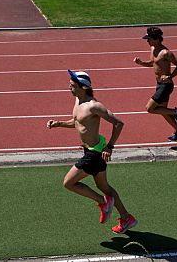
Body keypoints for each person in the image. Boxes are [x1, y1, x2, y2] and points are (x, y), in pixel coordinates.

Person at [46, 70, 137, 234]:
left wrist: (110, 147)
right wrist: (58, 124)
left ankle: (102, 202)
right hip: (92, 150)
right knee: (105, 186)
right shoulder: (77, 100)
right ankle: (126, 218)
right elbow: (77, 122)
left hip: (95, 153)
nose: (69, 87)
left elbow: (118, 123)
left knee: (68, 183)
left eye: (72, 85)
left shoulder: (94, 106)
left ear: (83, 87)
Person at [133, 26, 177, 142]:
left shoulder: (166, 53)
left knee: (150, 108)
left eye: (149, 39)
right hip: (159, 84)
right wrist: (141, 63)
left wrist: (170, 76)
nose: (147, 41)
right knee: (163, 111)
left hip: (166, 86)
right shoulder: (153, 49)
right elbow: (152, 64)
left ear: (157, 39)